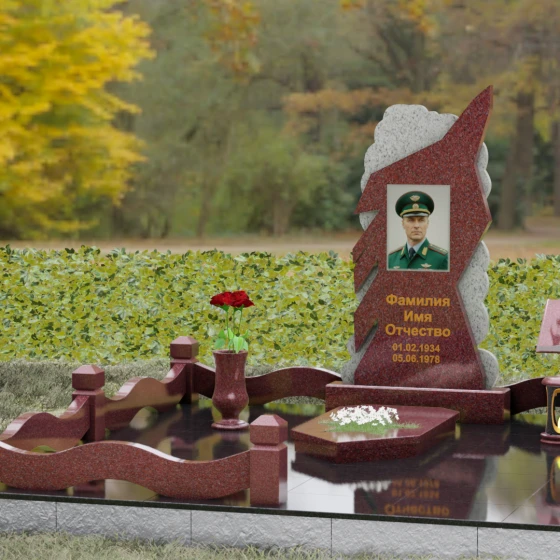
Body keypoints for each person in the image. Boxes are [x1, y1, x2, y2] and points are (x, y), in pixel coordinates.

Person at [388, 191, 449, 271]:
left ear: (427, 223)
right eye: (410, 220)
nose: (416, 226)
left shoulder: (441, 258)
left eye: (421, 220)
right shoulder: (391, 259)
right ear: (403, 223)